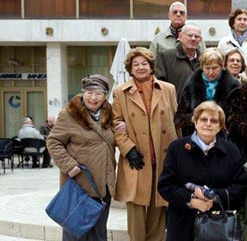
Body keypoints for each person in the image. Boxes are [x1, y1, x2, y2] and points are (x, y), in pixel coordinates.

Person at [112, 47, 178, 241]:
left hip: (163, 155)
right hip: (136, 157)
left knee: (159, 204)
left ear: (151, 66)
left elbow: (176, 120)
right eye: (136, 64)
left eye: (144, 63)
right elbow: (116, 124)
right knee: (137, 207)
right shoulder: (120, 92)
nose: (140, 67)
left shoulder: (168, 89)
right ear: (130, 69)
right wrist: (128, 149)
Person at [158, 101, 247, 241]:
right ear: (195, 121)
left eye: (214, 121)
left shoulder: (231, 151)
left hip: (218, 227)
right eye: (203, 119)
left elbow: (240, 188)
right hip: (182, 225)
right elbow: (165, 185)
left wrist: (214, 198)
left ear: (220, 127)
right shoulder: (177, 148)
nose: (208, 124)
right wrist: (190, 200)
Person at [46, 74, 116, 240]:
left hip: (103, 184)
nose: (93, 97)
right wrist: (68, 165)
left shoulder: (110, 113)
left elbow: (113, 140)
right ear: (83, 93)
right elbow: (53, 141)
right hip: (79, 184)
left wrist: (122, 127)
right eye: (89, 92)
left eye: (98, 93)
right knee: (75, 231)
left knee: (98, 232)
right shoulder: (69, 114)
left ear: (105, 95)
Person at [175, 48, 240, 137]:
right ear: (202, 67)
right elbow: (179, 118)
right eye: (207, 68)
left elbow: (238, 117)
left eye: (215, 68)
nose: (211, 72)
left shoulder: (233, 86)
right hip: (196, 135)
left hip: (223, 136)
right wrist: (195, 118)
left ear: (221, 66)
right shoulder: (191, 85)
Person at [155, 23, 204, 98]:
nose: (193, 39)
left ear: (200, 40)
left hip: (199, 108)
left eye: (196, 36)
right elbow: (158, 85)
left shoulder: (204, 60)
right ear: (180, 36)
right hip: (174, 107)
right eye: (190, 35)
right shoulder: (165, 57)